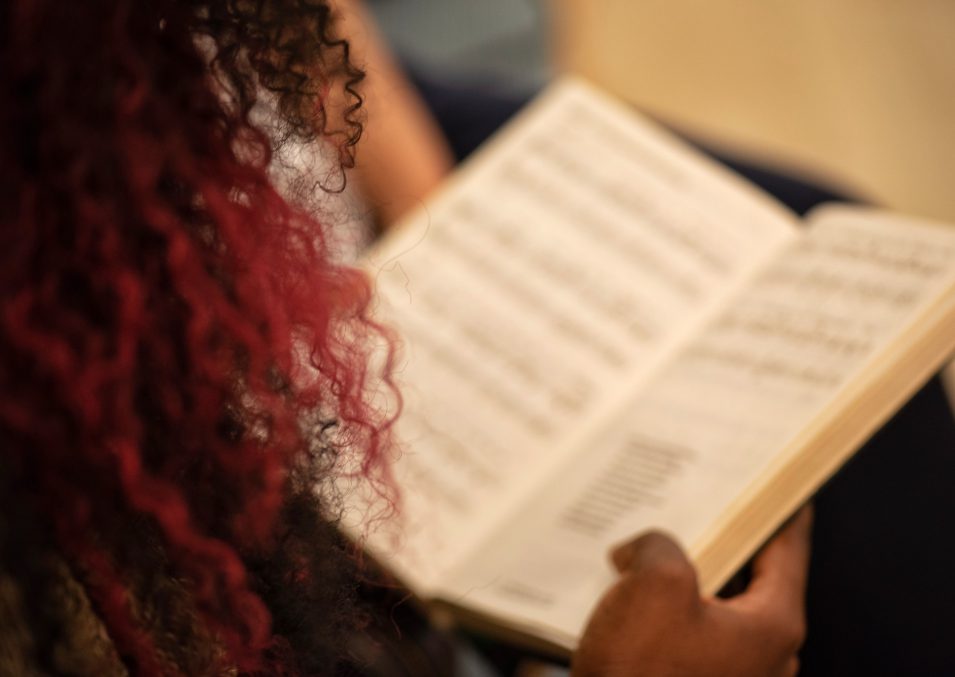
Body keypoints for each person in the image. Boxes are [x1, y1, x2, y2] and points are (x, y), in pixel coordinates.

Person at [1, 1, 816, 674]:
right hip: (276, 496)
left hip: (370, 289)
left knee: (805, 235)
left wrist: (447, 238)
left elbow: (320, 33)